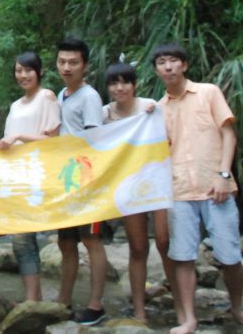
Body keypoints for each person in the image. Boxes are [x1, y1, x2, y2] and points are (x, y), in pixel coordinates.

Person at [153, 43, 243, 334]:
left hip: (216, 188)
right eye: (162, 62)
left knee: (230, 256)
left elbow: (228, 133)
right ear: (156, 70)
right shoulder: (158, 109)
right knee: (183, 256)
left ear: (184, 65)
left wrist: (224, 173)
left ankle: (237, 309)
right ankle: (189, 319)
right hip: (179, 191)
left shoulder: (208, 92)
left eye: (173, 61)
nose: (168, 66)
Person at [102, 62, 175, 322]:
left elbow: (168, 139)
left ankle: (181, 305)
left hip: (156, 182)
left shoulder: (150, 107)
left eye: (125, 82)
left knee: (166, 243)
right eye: (114, 83)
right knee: (138, 247)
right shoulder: (104, 114)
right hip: (128, 187)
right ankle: (140, 310)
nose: (119, 88)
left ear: (134, 85)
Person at [0, 51, 61, 301]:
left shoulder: (47, 97)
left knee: (23, 239)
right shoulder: (14, 105)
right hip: (16, 179)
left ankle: (33, 299)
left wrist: (19, 137)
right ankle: (34, 298)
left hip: (38, 176)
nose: (23, 75)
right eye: (18, 70)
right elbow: (10, 142)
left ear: (39, 72)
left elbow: (53, 140)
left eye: (28, 70)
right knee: (20, 241)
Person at [54, 37, 108, 326]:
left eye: (73, 62)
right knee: (66, 242)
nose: (67, 67)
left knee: (90, 239)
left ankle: (96, 304)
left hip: (86, 180)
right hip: (66, 182)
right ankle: (63, 300)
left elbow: (94, 141)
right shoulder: (62, 95)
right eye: (62, 61)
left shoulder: (89, 97)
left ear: (85, 65)